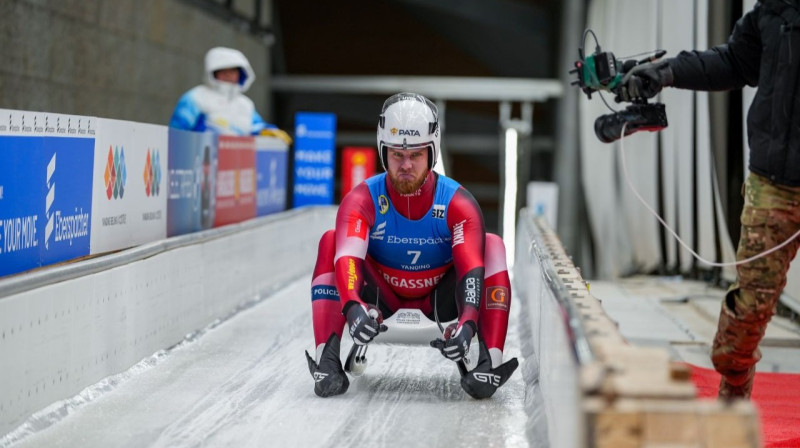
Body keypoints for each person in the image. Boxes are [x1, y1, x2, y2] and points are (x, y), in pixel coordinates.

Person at [618, 0, 800, 400]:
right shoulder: (774, 9)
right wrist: (667, 72)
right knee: (747, 314)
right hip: (775, 184)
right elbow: (736, 61)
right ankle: (732, 407)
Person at [304, 92, 518, 398]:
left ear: (431, 153)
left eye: (416, 155)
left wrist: (468, 323)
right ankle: (327, 359)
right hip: (381, 298)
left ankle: (489, 362)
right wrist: (353, 307)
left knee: (493, 245)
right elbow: (348, 257)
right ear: (383, 151)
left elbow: (470, 268)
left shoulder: (457, 202)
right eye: (397, 155)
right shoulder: (361, 199)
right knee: (330, 241)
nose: (406, 165)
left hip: (438, 302)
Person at [169, 47, 291, 143]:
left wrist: (267, 131)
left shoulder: (245, 104)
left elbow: (254, 126)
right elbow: (176, 133)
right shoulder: (196, 97)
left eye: (233, 71)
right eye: (223, 71)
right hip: (200, 161)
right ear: (213, 73)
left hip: (235, 165)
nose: (228, 75)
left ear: (241, 74)